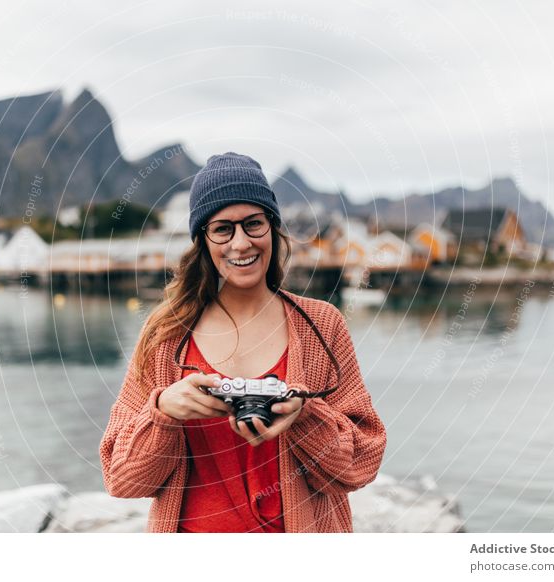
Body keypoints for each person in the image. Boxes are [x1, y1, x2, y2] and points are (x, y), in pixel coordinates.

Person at [99, 152, 386, 532]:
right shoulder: (167, 334)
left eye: (253, 224)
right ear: (202, 239)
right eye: (222, 229)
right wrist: (163, 412)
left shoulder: (321, 325)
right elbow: (121, 478)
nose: (240, 243)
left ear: (273, 228)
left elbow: (361, 464)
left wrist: (305, 416)